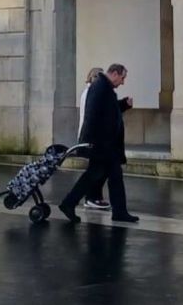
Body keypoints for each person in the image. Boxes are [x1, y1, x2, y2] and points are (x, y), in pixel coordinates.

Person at [59, 63, 138, 225]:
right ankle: (69, 203)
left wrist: (124, 104)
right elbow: (93, 116)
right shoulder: (101, 88)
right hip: (102, 145)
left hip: (106, 145)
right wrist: (94, 143)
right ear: (114, 73)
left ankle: (119, 211)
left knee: (113, 177)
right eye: (122, 78)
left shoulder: (105, 88)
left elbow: (109, 111)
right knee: (96, 176)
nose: (122, 82)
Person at [78, 67, 111, 212]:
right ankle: (91, 197)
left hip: (94, 137)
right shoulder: (92, 92)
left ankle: (93, 197)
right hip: (93, 138)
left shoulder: (92, 91)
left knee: (98, 170)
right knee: (96, 170)